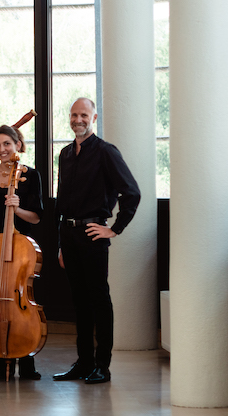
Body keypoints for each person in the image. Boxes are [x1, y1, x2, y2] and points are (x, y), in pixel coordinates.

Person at [53, 97, 140, 384]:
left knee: (98, 300)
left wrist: (114, 229)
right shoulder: (65, 154)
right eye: (74, 115)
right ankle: (83, 363)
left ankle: (102, 365)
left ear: (94, 118)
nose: (78, 119)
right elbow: (62, 201)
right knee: (79, 302)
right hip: (69, 234)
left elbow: (131, 193)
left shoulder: (106, 152)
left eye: (84, 115)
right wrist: (60, 244)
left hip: (93, 234)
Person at [0, 125, 44, 380]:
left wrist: (17, 206)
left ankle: (25, 360)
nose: (2, 150)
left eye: (7, 144)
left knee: (19, 300)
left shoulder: (31, 176)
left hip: (20, 252)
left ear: (18, 145)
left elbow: (36, 218)